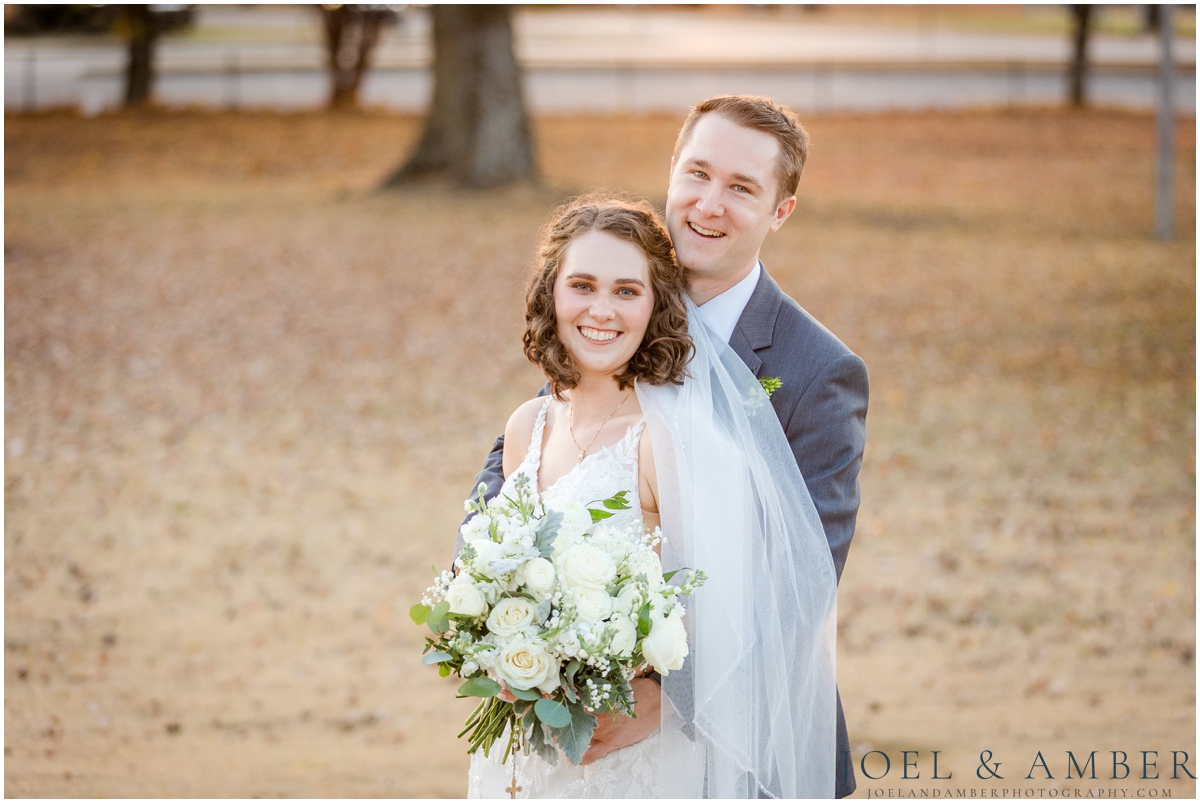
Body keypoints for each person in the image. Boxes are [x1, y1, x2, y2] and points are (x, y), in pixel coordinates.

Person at [460, 95, 868, 799]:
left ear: (780, 211)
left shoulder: (815, 371)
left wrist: (671, 696)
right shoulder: (610, 305)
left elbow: (801, 583)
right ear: (672, 173)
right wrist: (499, 616)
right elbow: (515, 479)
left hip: (738, 735)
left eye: (742, 188)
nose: (709, 204)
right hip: (566, 723)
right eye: (697, 173)